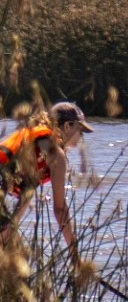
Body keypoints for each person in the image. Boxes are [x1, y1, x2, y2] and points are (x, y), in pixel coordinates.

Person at [0, 101, 93, 263]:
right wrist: (75, 257)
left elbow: (16, 215)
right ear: (68, 126)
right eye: (81, 131)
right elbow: (60, 209)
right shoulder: (56, 155)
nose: (81, 138)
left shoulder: (38, 145)